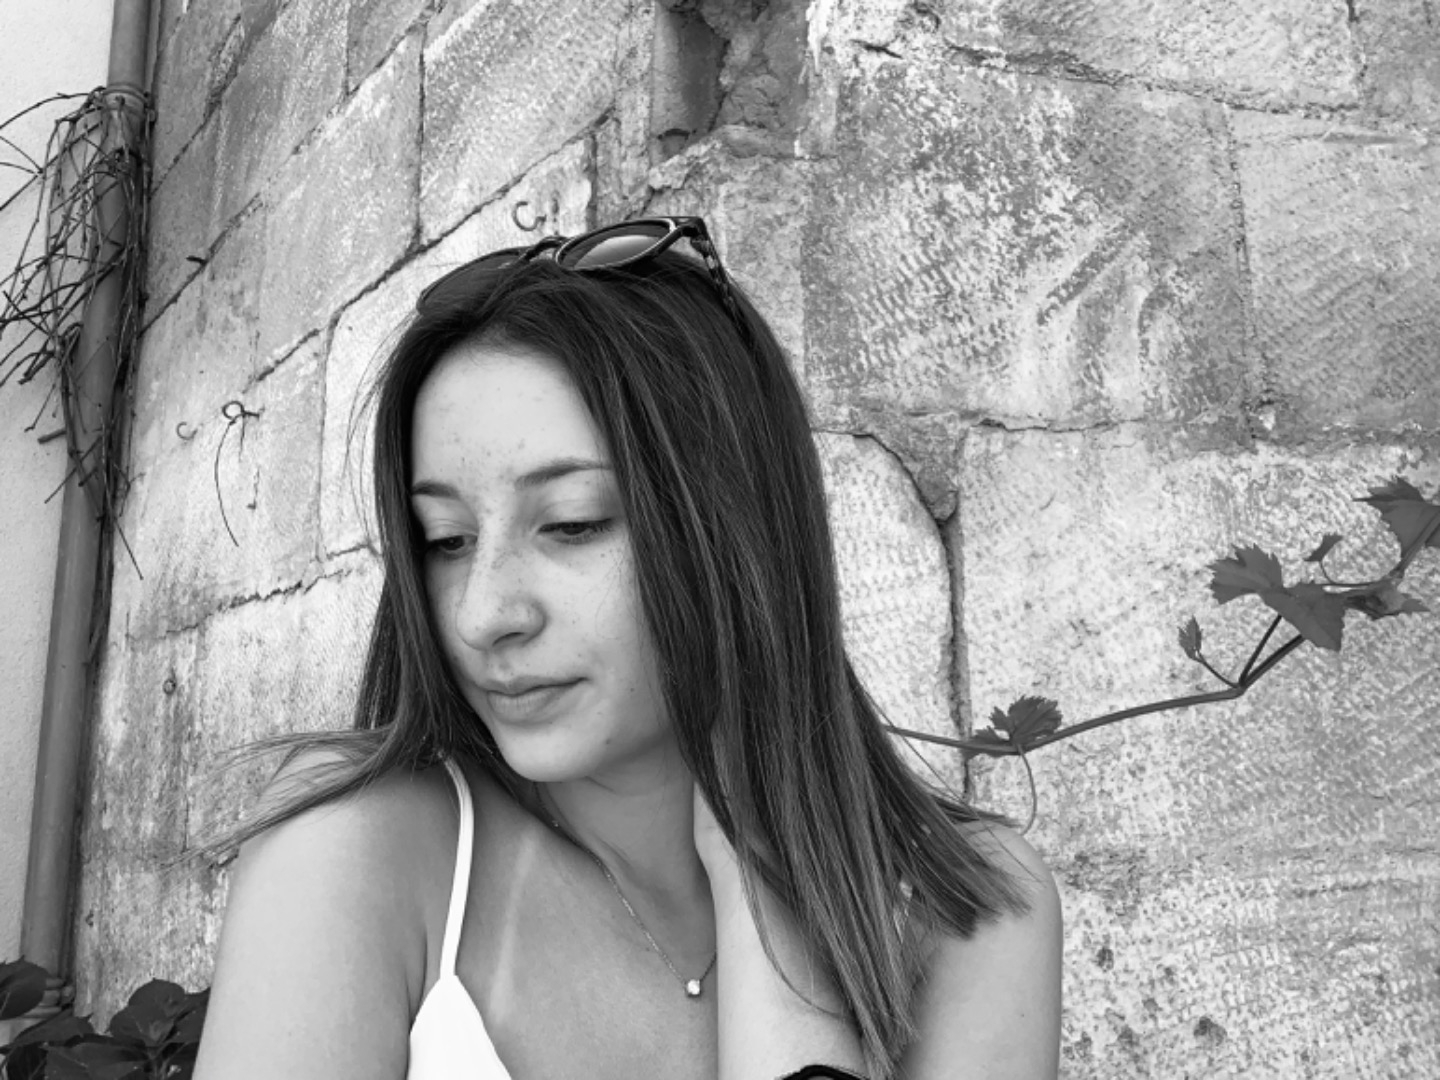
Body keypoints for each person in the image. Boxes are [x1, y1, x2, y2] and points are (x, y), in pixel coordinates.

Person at [192, 217, 1063, 1080]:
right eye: (446, 539)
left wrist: (759, 881)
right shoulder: (357, 848)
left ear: (736, 528)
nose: (482, 615)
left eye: (572, 524)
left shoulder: (968, 910)